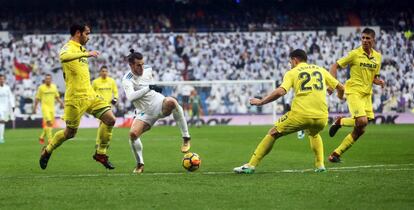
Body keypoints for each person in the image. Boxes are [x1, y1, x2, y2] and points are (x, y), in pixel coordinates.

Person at [234, 49, 344, 174]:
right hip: (322, 117)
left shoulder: (292, 72)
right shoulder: (321, 70)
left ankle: (251, 165)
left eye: (290, 61)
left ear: (295, 60)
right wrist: (338, 95)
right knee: (314, 134)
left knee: (273, 132)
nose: (290, 64)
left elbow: (281, 91)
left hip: (301, 115)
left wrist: (261, 102)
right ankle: (320, 166)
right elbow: (341, 87)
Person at [39, 23, 117, 170]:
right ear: (78, 33)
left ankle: (100, 153)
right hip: (75, 98)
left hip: (90, 94)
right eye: (86, 33)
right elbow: (63, 57)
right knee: (70, 133)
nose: (88, 36)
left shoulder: (82, 48)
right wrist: (86, 54)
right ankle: (47, 150)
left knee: (110, 119)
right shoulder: (68, 47)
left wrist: (84, 53)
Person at [122, 49, 191, 174]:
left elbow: (149, 82)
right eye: (138, 65)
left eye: (143, 64)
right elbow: (131, 97)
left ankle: (186, 137)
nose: (142, 67)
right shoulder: (127, 79)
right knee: (132, 135)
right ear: (131, 65)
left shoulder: (148, 69)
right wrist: (149, 88)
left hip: (159, 104)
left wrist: (153, 87)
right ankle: (140, 164)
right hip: (144, 112)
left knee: (172, 102)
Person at [328, 28, 385, 163]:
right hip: (353, 91)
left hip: (366, 94)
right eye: (363, 38)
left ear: (373, 40)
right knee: (362, 121)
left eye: (367, 38)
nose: (365, 40)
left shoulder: (378, 57)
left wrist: (379, 81)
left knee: (361, 129)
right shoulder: (354, 54)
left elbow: (374, 77)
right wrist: (332, 85)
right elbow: (334, 66)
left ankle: (336, 154)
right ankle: (340, 121)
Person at [92, 65, 119, 148]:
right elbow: (91, 92)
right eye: (103, 71)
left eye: (106, 71)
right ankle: (98, 142)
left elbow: (115, 92)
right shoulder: (95, 82)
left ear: (108, 72)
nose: (104, 73)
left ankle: (106, 141)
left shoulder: (112, 81)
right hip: (100, 106)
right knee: (101, 124)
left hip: (109, 106)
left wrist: (115, 98)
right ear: (100, 72)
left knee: (109, 124)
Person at [33, 74, 64, 144]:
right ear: (45, 80)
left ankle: (41, 137)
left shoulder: (54, 87)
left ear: (51, 79)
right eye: (47, 79)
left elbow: (57, 97)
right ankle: (50, 140)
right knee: (48, 123)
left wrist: (62, 103)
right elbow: (37, 98)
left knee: (49, 125)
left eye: (49, 79)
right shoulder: (41, 88)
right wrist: (34, 108)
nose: (48, 80)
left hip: (52, 108)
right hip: (45, 108)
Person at [0, 74, 15, 143]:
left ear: (4, 80)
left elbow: (11, 97)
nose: (1, 80)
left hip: (5, 108)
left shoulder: (7, 88)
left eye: (2, 79)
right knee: (1, 121)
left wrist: (13, 105)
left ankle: (1, 137)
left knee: (2, 122)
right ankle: (1, 137)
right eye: (0, 79)